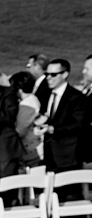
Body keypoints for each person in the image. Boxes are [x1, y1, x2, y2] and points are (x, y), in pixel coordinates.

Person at [36, 58, 92, 203]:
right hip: (49, 154)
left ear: (65, 74)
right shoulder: (45, 95)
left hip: (68, 155)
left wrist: (53, 129)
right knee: (53, 194)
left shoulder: (76, 97)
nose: (49, 78)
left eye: (53, 75)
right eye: (47, 74)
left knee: (71, 195)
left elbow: (80, 125)